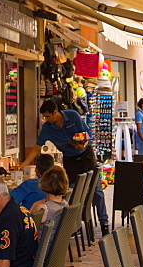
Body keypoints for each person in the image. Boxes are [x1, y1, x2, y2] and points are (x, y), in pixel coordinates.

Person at [23, 98, 109, 235]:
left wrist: (83, 144)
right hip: (70, 159)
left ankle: (104, 222)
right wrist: (24, 164)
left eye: (47, 116)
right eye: (44, 117)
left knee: (96, 189)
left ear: (55, 112)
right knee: (71, 192)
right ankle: (73, 225)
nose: (46, 119)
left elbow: (85, 134)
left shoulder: (73, 115)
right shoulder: (47, 128)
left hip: (86, 155)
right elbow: (36, 148)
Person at [29, 165, 69, 234]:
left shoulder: (42, 208)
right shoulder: (65, 204)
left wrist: (35, 204)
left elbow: (27, 227)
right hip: (56, 243)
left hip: (39, 243)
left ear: (44, 183)